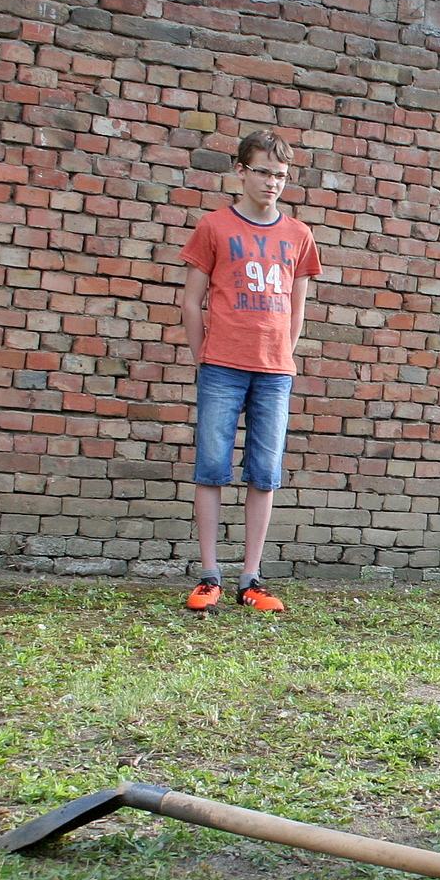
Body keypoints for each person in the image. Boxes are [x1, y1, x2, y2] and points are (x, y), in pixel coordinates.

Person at [177, 130, 321, 613]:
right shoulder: (214, 227)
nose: (272, 183)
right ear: (241, 171)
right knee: (212, 467)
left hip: (274, 372)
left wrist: (283, 354)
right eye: (263, 172)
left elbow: (297, 309)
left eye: (281, 175)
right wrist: (203, 355)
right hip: (221, 366)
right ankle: (209, 576)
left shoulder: (298, 235)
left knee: (265, 472)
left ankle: (251, 579)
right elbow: (191, 302)